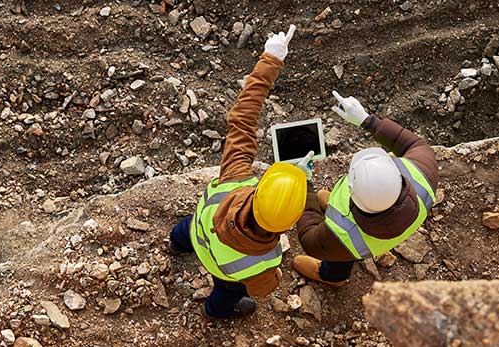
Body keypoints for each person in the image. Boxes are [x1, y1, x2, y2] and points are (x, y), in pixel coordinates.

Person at [169, 25, 313, 319]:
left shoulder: (236, 178)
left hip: (199, 230)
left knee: (184, 231)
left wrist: (271, 58)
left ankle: (176, 244)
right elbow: (262, 288)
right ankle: (216, 311)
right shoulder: (266, 259)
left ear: (260, 188)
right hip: (223, 271)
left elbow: (243, 117)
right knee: (228, 293)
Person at [293, 91, 440, 287]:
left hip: (348, 242)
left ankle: (333, 277)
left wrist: (305, 185)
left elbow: (308, 237)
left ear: (351, 192)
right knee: (344, 246)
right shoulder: (423, 179)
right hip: (389, 227)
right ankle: (331, 210)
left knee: (340, 256)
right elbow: (413, 143)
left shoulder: (342, 235)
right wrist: (367, 120)